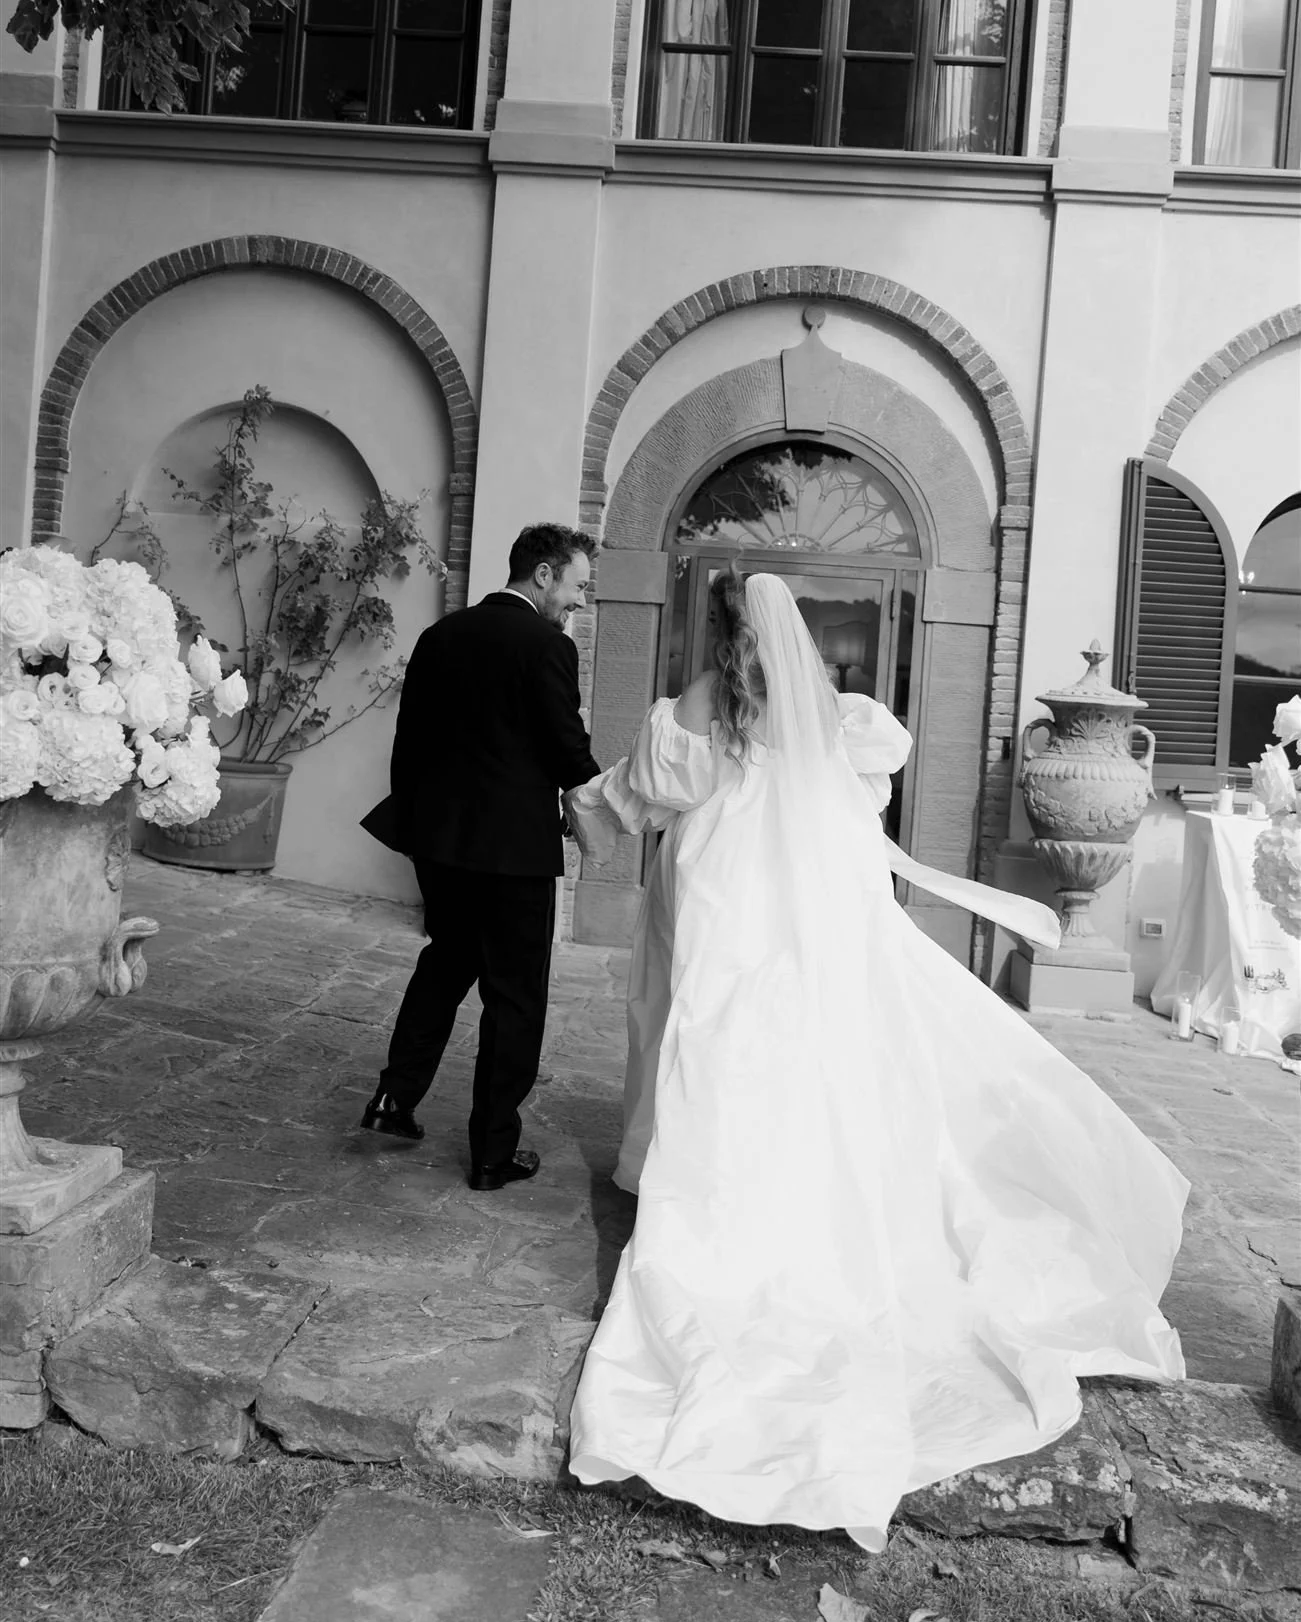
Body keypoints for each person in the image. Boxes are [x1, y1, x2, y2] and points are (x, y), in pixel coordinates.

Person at [565, 568, 1188, 1551]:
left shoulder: (700, 698)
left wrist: (604, 797)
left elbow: (661, 783)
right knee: (802, 1046)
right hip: (804, 899)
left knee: (718, 1041)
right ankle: (807, 1180)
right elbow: (864, 780)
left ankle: (721, 1187)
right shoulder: (826, 707)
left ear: (716, 629)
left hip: (726, 890)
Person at [359, 523, 600, 1191]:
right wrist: (603, 803)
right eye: (578, 585)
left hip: (439, 843)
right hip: (513, 853)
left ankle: (393, 1099)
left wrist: (421, 827)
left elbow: (407, 745)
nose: (579, 601)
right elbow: (566, 750)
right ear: (543, 574)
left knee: (445, 965)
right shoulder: (547, 646)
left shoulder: (441, 635)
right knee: (515, 999)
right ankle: (493, 1151)